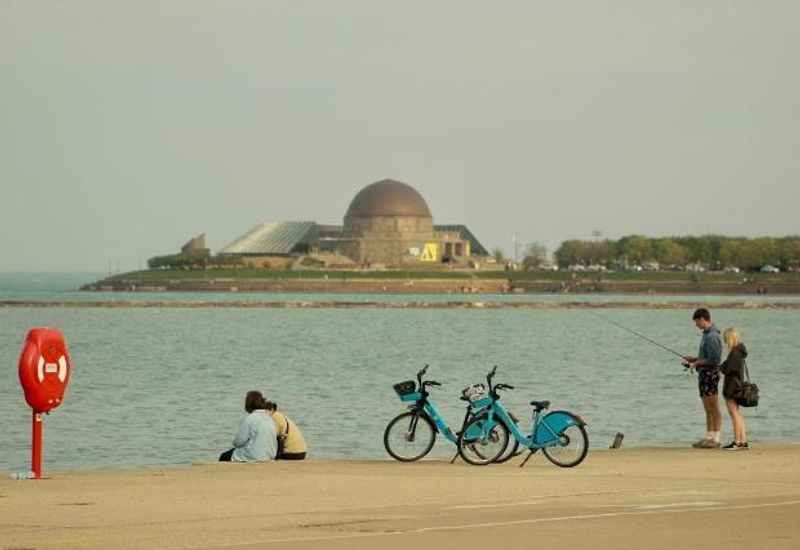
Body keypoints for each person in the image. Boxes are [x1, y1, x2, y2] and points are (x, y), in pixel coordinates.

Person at [683, 308, 723, 449]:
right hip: (703, 374)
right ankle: (709, 436)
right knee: (707, 407)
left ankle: (716, 438)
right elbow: (706, 356)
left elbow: (715, 360)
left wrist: (697, 363)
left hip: (710, 374)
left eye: (696, 322)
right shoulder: (706, 334)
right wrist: (694, 359)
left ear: (702, 319)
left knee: (713, 406)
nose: (696, 325)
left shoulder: (712, 336)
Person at [219, 391, 278, 462]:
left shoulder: (250, 419)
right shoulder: (270, 419)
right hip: (269, 456)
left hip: (253, 456)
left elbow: (238, 442)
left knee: (224, 456)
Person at [719, 328, 749, 450]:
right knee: (737, 414)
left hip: (732, 387)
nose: (725, 342)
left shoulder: (735, 353)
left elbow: (727, 369)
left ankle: (737, 441)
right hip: (737, 386)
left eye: (726, 339)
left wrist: (722, 366)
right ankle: (743, 441)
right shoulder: (740, 352)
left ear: (730, 339)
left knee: (734, 414)